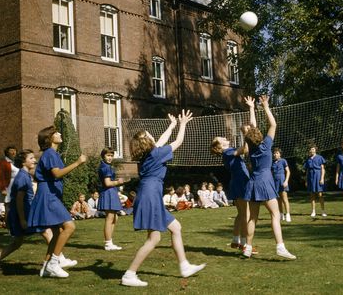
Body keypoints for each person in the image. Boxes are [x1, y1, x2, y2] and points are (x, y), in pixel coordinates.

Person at [121, 110, 205, 287]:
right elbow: (178, 142)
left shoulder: (148, 155)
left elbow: (160, 141)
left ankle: (184, 266)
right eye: (149, 134)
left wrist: (172, 125)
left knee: (176, 227)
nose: (152, 134)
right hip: (150, 196)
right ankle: (129, 274)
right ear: (147, 141)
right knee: (154, 239)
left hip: (149, 194)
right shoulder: (156, 154)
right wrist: (182, 125)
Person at [0, 149, 77, 272]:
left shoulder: (25, 175)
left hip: (23, 212)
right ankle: (59, 259)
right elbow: (19, 199)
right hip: (23, 213)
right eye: (31, 158)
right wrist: (23, 219)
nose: (34, 160)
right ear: (24, 162)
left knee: (17, 242)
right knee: (47, 231)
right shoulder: (22, 177)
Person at [27, 126, 86, 278]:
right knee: (69, 226)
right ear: (49, 138)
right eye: (56, 133)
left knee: (56, 232)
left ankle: (46, 267)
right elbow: (57, 173)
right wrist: (78, 163)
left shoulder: (51, 154)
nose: (60, 134)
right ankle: (54, 263)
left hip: (51, 194)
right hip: (48, 196)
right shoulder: (50, 153)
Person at [241, 95, 296, 260]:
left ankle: (248, 248)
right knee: (275, 214)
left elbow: (252, 127)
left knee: (252, 217)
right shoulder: (266, 145)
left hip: (253, 181)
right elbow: (273, 124)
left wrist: (251, 107)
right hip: (265, 181)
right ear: (259, 135)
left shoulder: (250, 146)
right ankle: (280, 246)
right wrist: (265, 106)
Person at [211, 120, 250, 251]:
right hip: (240, 182)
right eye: (221, 138)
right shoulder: (227, 152)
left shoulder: (228, 152)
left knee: (240, 214)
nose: (224, 137)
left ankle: (235, 240)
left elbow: (245, 150)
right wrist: (246, 134)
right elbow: (245, 149)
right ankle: (245, 244)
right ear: (220, 146)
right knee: (246, 214)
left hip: (237, 182)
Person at [97, 146, 128, 250]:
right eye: (108, 155)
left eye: (111, 155)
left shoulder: (106, 166)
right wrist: (118, 182)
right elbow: (107, 183)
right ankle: (108, 243)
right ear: (103, 156)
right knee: (110, 218)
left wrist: (117, 183)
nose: (110, 157)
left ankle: (109, 241)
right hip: (108, 193)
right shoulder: (106, 167)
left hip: (111, 192)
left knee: (114, 217)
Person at [304, 145, 327, 218]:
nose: (312, 150)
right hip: (311, 177)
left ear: (315, 150)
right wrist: (306, 180)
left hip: (318, 176)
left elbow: (323, 169)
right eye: (310, 149)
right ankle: (313, 211)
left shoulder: (320, 157)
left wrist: (322, 178)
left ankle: (323, 211)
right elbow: (307, 171)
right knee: (312, 195)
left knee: (320, 194)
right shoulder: (308, 160)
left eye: (313, 149)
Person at [272, 147, 291, 222]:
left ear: (280, 154)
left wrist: (286, 181)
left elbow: (288, 172)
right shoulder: (272, 163)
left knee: (285, 199)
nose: (275, 154)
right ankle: (281, 214)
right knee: (278, 200)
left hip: (282, 182)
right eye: (274, 153)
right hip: (275, 183)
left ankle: (288, 214)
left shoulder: (283, 161)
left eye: (277, 153)